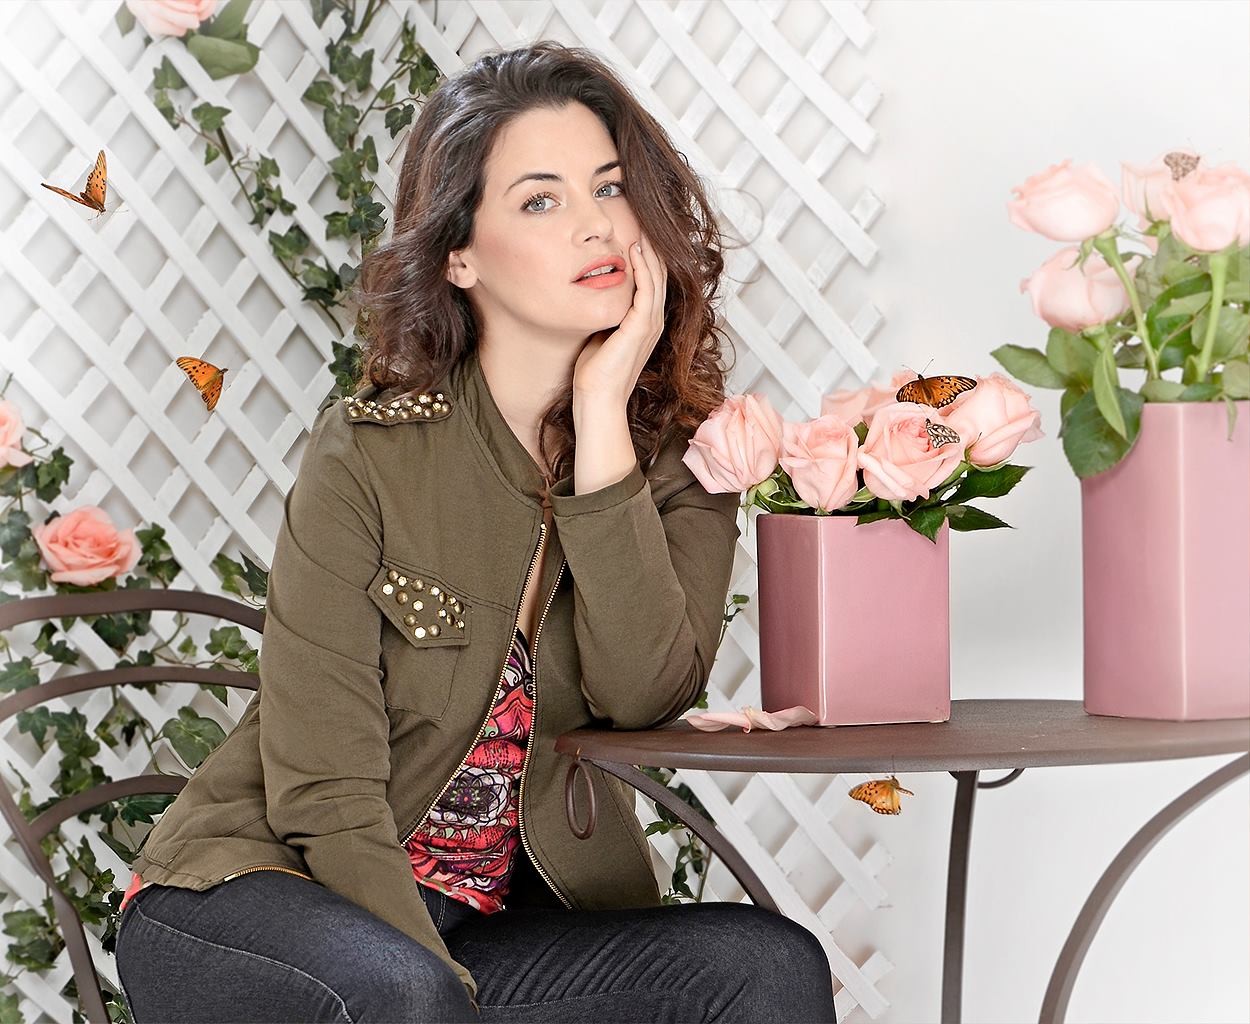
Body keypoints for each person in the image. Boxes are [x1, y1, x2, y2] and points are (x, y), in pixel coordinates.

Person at [114, 40, 838, 1023]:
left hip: (469, 931)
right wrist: (438, 990)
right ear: (459, 254)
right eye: (540, 201)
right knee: (408, 992)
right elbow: (323, 792)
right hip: (254, 894)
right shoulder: (371, 452)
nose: (595, 224)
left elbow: (644, 691)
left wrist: (601, 419)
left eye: (610, 188)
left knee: (768, 966)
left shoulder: (680, 463)